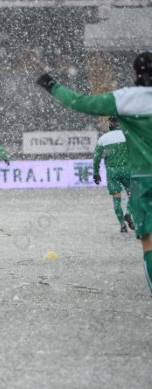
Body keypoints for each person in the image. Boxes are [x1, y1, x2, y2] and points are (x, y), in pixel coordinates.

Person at [37, 52, 152, 293]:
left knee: (149, 243)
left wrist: (51, 84)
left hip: (143, 178)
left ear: (135, 72)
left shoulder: (124, 99)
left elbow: (79, 102)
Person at [93, 117, 135, 233]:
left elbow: (96, 158)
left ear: (110, 126)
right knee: (132, 194)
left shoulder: (103, 139)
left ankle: (122, 225)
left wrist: (96, 173)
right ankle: (129, 214)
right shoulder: (128, 135)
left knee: (116, 200)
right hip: (127, 169)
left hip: (112, 172)